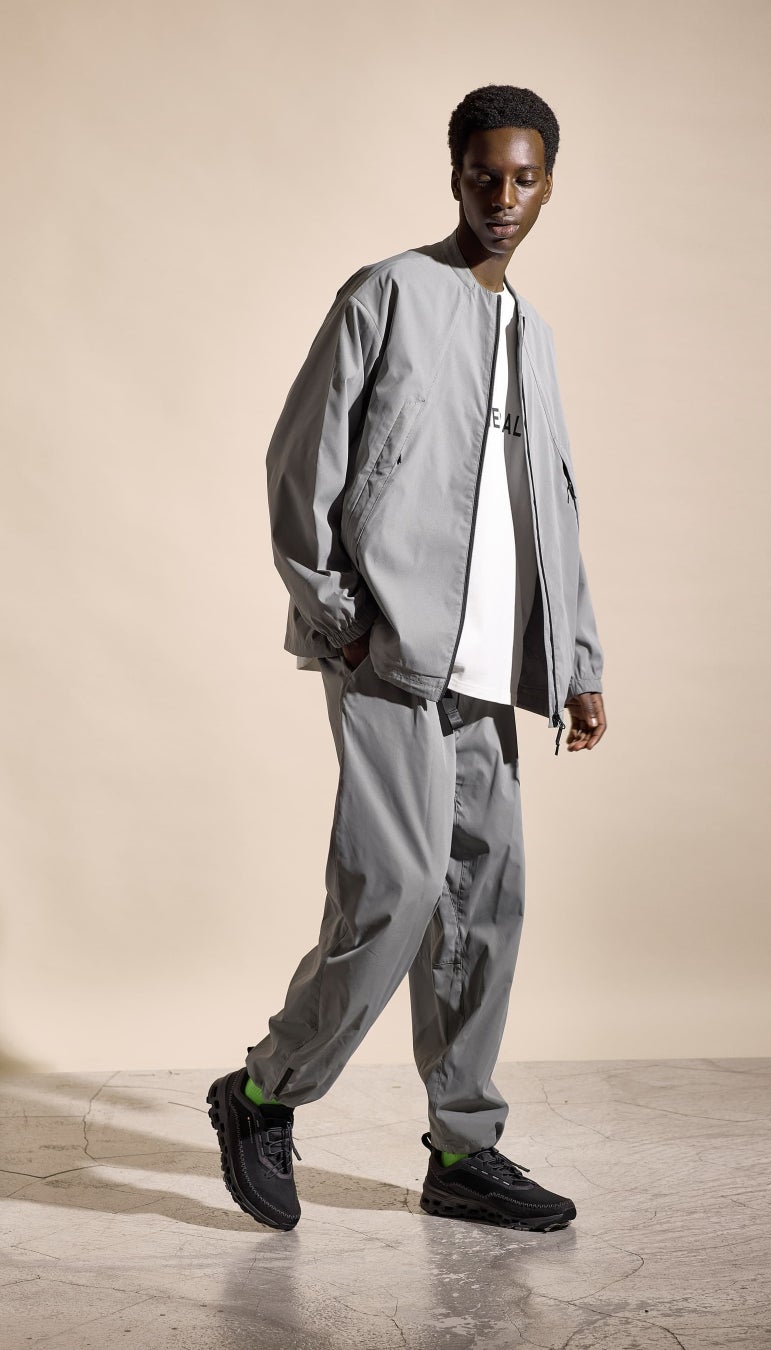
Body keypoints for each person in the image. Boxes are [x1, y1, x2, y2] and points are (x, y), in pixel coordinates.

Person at [207, 84, 607, 1234]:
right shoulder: (384, 292)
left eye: (524, 177)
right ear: (454, 176)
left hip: (490, 674)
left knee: (486, 903)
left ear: (549, 184)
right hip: (387, 655)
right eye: (484, 175)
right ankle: (262, 1093)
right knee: (393, 891)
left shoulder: (531, 334)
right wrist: (341, 616)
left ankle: (462, 1152)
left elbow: (552, 511)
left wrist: (576, 658)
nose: (503, 196)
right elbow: (302, 463)